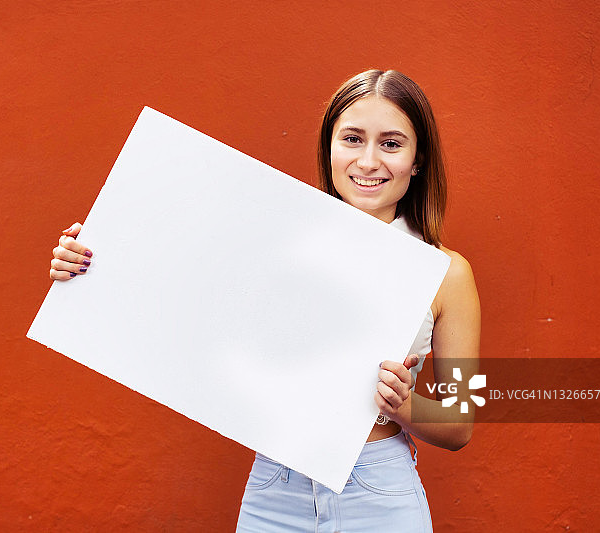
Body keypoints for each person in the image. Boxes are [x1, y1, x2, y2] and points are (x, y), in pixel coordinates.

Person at [48, 69, 480, 532]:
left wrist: (404, 405)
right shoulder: (275, 244)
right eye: (352, 139)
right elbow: (175, 287)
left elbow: (461, 423)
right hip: (275, 491)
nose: (369, 161)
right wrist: (92, 260)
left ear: (417, 160)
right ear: (330, 147)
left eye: (391, 144)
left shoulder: (447, 273)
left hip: (380, 493)